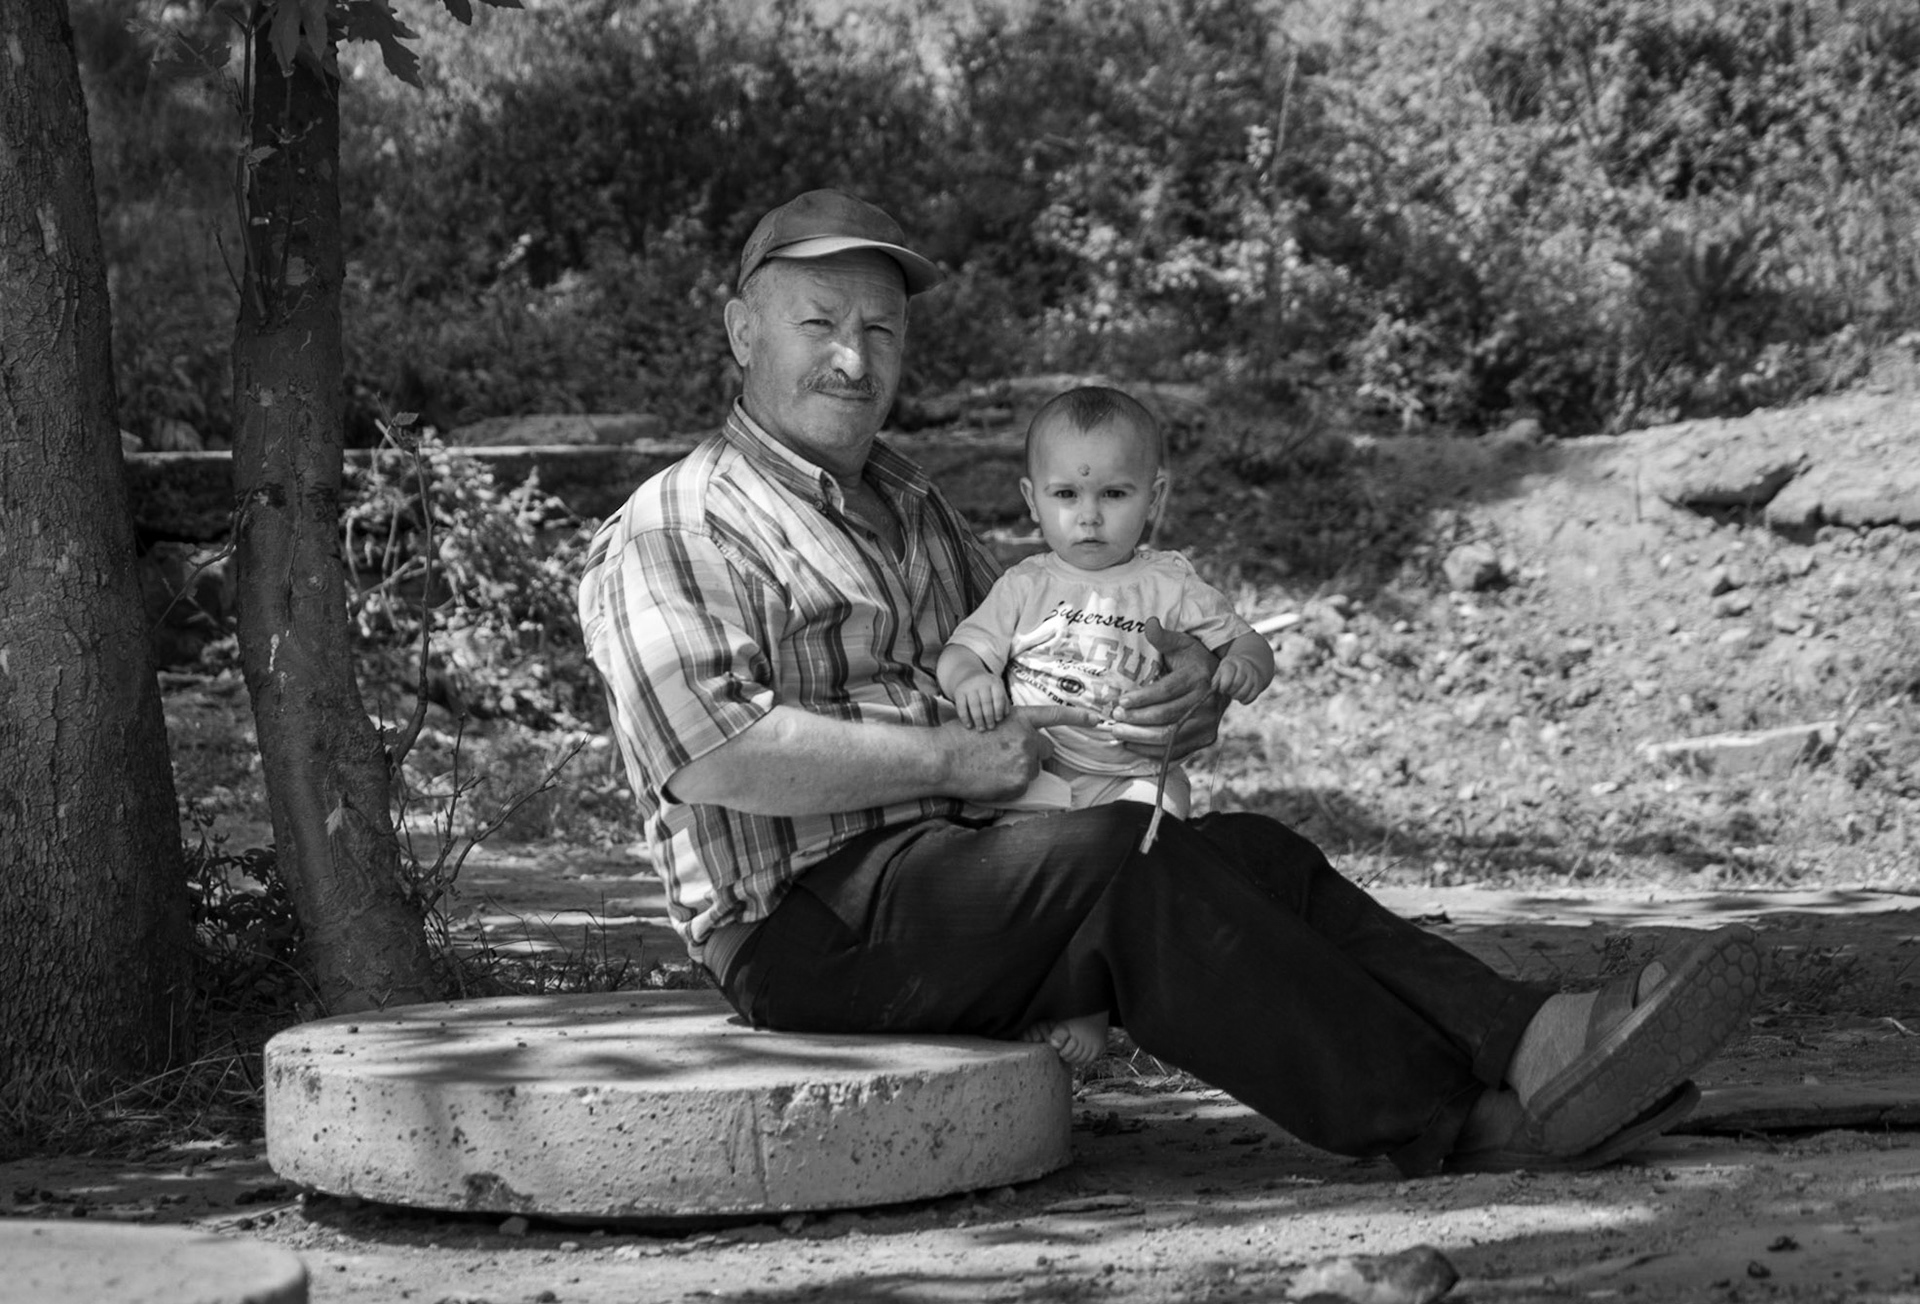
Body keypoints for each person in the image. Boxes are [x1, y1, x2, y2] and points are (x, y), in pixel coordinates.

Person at [578, 187, 1758, 1177]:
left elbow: (1049, 646)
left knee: (1253, 857)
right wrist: (952, 758)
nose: (853, 355)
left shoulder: (917, 506)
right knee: (1120, 856)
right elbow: (716, 753)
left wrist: (1178, 681)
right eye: (818, 322)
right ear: (741, 330)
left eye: (881, 330)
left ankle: (1532, 1038)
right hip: (811, 924)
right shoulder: (682, 524)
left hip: (974, 871)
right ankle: (1457, 1124)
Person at [937, 383, 1276, 1063]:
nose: (1088, 517)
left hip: (1134, 777)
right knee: (1017, 894)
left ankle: (1090, 1003)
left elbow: (1250, 642)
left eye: (1114, 495)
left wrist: (1240, 667)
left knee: (1133, 878)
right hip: (1042, 770)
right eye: (1067, 496)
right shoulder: (1023, 586)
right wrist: (971, 678)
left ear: (1155, 496)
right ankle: (1028, 994)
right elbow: (964, 650)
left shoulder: (1170, 586)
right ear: (1033, 499)